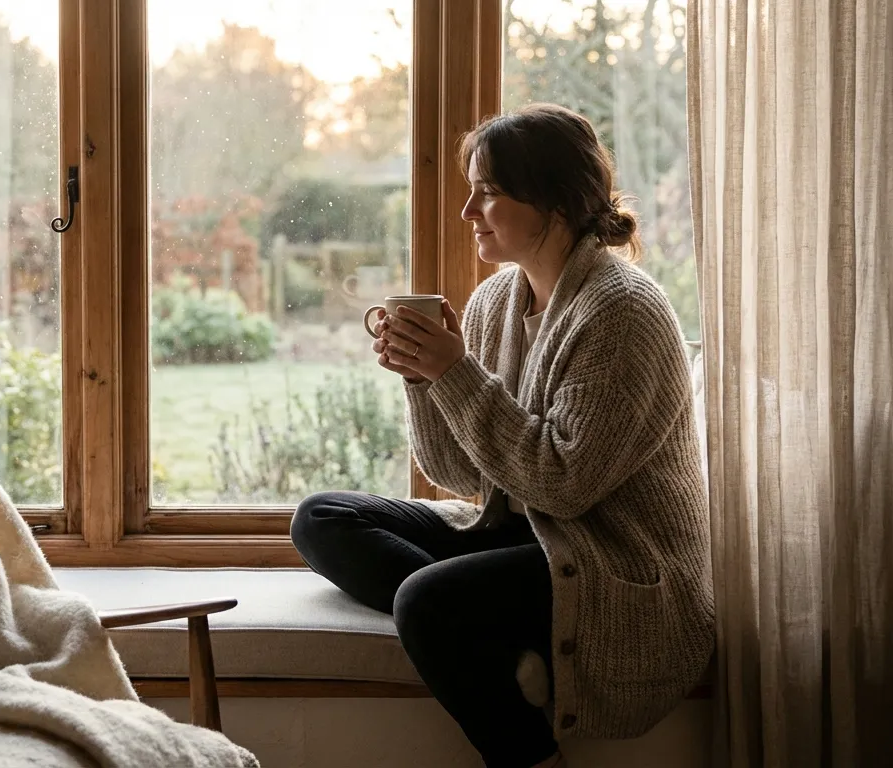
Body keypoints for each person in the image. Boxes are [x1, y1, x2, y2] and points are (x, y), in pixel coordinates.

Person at [290, 103, 714, 768]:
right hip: (524, 531)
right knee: (321, 518)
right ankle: (497, 641)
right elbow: (464, 476)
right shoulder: (495, 301)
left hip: (610, 558)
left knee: (425, 600)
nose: (467, 212)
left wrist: (453, 372)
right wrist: (424, 379)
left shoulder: (623, 311)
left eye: (486, 192)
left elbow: (564, 485)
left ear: (553, 198)